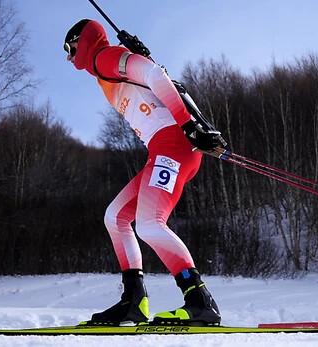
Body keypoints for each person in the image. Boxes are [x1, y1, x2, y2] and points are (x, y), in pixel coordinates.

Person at [63, 19, 225, 327]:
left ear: (81, 41)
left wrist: (189, 128)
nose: (69, 58)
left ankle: (200, 302)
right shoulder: (103, 71)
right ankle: (134, 301)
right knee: (116, 216)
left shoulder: (103, 57)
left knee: (150, 224)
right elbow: (152, 78)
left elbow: (154, 74)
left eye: (69, 49)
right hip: (163, 149)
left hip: (174, 145)